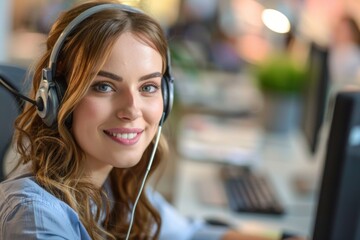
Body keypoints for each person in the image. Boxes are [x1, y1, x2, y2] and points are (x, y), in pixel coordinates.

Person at [0, 1, 300, 240]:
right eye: (103, 86)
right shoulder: (35, 217)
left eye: (148, 87)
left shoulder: (114, 187)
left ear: (165, 98)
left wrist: (282, 237)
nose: (132, 110)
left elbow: (190, 233)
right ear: (54, 98)